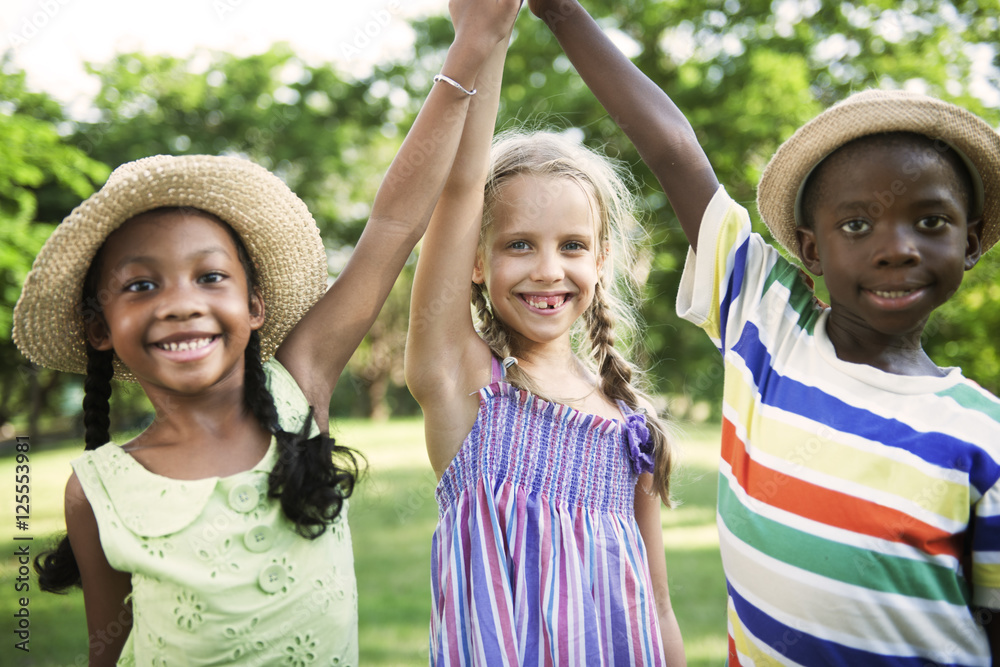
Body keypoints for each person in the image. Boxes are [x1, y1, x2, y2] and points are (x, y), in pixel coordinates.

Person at [13, 1, 522, 664]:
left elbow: (395, 224)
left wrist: (473, 45)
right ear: (98, 327)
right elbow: (106, 650)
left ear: (255, 304)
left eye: (209, 277)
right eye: (142, 285)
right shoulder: (97, 488)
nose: (179, 304)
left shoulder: (298, 386)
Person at [526, 0, 1000, 665]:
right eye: (857, 225)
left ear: (972, 240)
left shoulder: (985, 438)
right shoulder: (766, 323)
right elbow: (672, 149)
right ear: (809, 247)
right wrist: (562, 13)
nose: (896, 248)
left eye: (930, 221)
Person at [403, 7, 686, 665]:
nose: (548, 269)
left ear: (602, 260)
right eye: (519, 244)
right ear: (476, 259)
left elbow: (660, 606)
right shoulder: (464, 385)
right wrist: (487, 36)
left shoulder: (629, 424)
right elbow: (460, 185)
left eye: (573, 245)